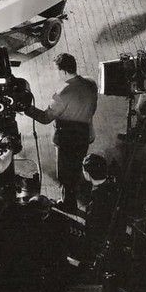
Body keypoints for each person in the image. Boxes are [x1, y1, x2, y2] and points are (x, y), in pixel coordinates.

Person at [23, 53, 97, 212]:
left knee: (64, 173)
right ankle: (75, 195)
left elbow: (45, 117)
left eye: (56, 70)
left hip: (66, 138)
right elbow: (93, 108)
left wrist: (26, 108)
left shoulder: (63, 93)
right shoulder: (91, 84)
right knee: (77, 166)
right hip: (84, 134)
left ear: (63, 72)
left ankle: (68, 203)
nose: (55, 74)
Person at [80, 153, 118, 264]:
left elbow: (92, 227)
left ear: (87, 174)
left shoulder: (96, 200)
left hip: (99, 243)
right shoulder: (112, 185)